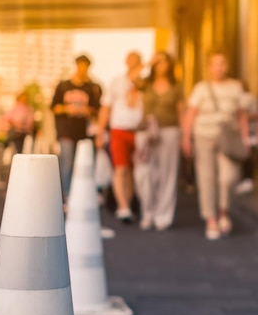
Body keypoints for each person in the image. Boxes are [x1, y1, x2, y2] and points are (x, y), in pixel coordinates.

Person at [182, 51, 250, 240]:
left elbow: (242, 114)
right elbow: (191, 113)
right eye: (215, 64)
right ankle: (211, 218)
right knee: (206, 177)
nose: (219, 67)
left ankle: (224, 211)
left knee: (228, 177)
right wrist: (186, 137)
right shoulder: (201, 88)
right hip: (204, 135)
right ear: (209, 67)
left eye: (222, 63)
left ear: (227, 66)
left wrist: (246, 139)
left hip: (228, 136)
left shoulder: (236, 87)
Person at [133, 52, 184, 231]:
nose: (161, 64)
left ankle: (164, 215)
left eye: (164, 61)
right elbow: (132, 76)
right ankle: (147, 211)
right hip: (145, 132)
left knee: (167, 174)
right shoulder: (145, 84)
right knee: (144, 173)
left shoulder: (176, 87)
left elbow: (181, 112)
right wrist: (149, 61)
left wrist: (185, 137)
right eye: (158, 61)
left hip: (170, 131)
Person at [95, 51, 144, 224]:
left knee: (132, 172)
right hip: (119, 131)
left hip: (139, 132)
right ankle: (123, 206)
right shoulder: (116, 82)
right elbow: (106, 108)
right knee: (120, 169)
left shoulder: (144, 84)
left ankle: (129, 203)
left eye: (138, 61)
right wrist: (100, 132)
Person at [51, 54, 102, 201]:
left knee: (85, 163)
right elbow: (54, 107)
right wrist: (69, 109)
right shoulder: (63, 86)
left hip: (85, 131)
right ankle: (67, 195)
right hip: (66, 129)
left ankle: (83, 193)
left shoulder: (93, 88)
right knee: (67, 161)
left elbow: (98, 110)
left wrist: (87, 111)